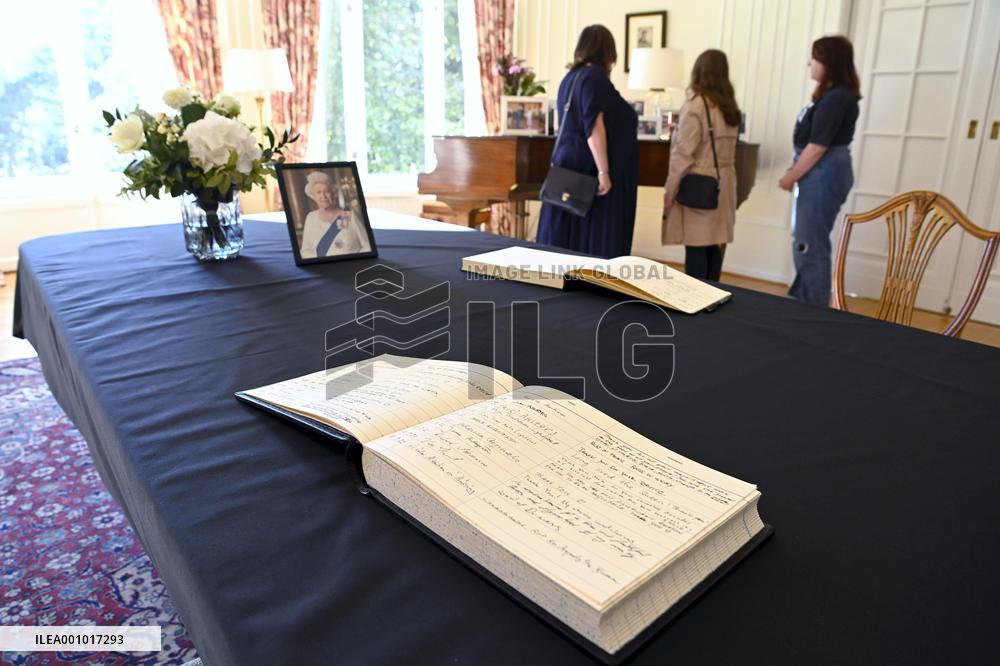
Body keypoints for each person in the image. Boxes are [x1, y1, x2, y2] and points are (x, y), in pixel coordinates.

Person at [537, 24, 638, 258]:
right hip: (588, 165)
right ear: (608, 51)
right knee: (589, 234)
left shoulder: (570, 77)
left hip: (568, 160)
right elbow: (593, 126)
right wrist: (604, 172)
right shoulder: (595, 77)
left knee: (568, 233)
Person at [779, 35, 861, 306]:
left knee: (810, 244)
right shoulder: (830, 96)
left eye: (814, 58)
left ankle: (813, 311)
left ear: (829, 62)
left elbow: (816, 148)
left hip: (824, 173)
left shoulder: (838, 98)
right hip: (821, 172)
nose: (809, 64)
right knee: (808, 241)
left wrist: (790, 177)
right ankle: (802, 301)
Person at [661, 49, 741, 281]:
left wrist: (670, 189)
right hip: (724, 181)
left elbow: (684, 154)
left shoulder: (696, 105)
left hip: (700, 182)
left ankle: (695, 300)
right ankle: (712, 297)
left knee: (696, 244)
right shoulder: (729, 107)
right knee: (714, 243)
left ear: (698, 72)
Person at [299, 171, 371, 259]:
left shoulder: (350, 215)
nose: (323, 196)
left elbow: (368, 245)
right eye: (318, 192)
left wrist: (354, 261)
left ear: (333, 193)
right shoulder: (310, 218)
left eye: (327, 191)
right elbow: (306, 250)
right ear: (313, 196)